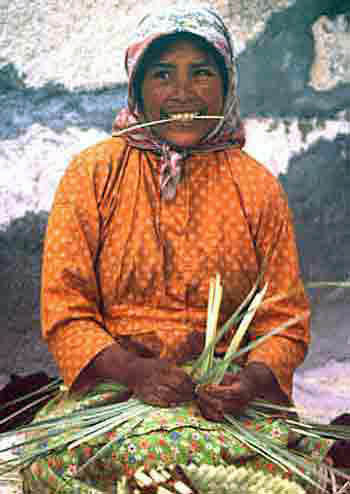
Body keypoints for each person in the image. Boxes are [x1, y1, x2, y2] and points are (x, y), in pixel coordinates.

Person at [21, 4, 344, 493]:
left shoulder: (255, 187)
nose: (183, 93)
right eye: (163, 74)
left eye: (201, 74)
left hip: (224, 400)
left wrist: (252, 382)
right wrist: (133, 371)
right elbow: (65, 308)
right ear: (137, 87)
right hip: (115, 393)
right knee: (80, 465)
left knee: (278, 471)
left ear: (226, 83)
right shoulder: (93, 176)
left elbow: (284, 318)